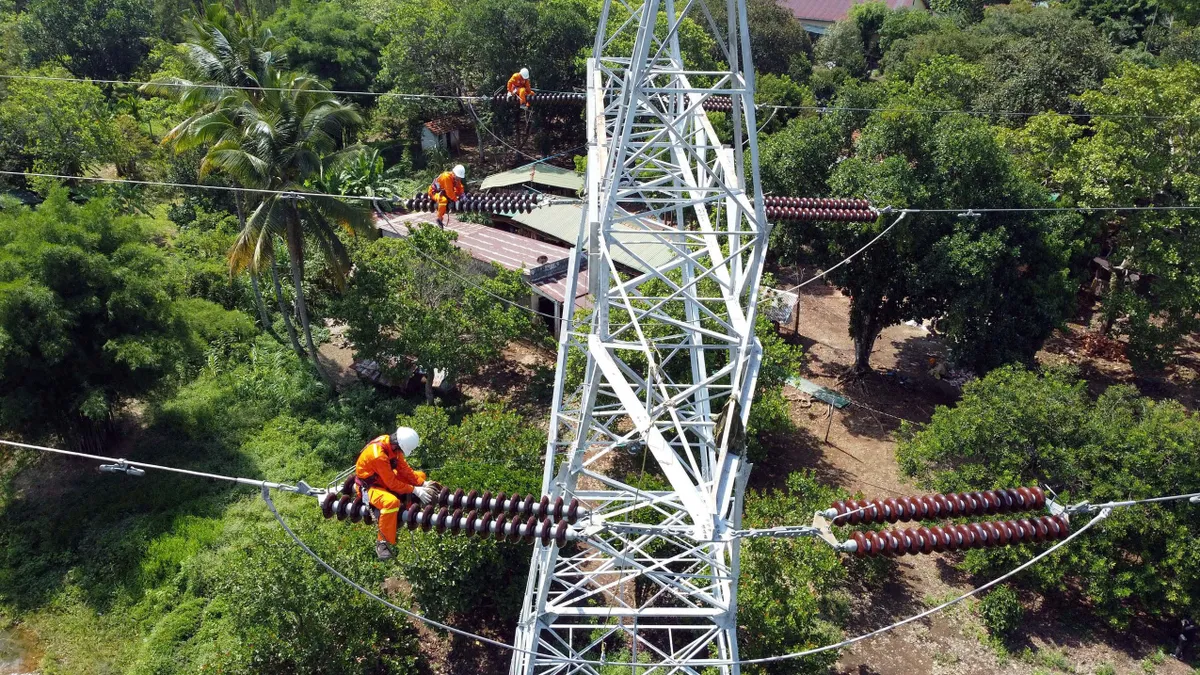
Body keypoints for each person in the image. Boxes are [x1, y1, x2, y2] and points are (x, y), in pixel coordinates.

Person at [355, 427, 437, 560]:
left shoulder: (391, 446)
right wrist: (414, 490)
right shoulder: (378, 455)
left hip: (383, 479)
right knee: (391, 503)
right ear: (398, 445)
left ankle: (410, 498)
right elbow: (392, 483)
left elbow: (404, 469)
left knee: (420, 475)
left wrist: (422, 484)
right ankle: (382, 543)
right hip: (370, 487)